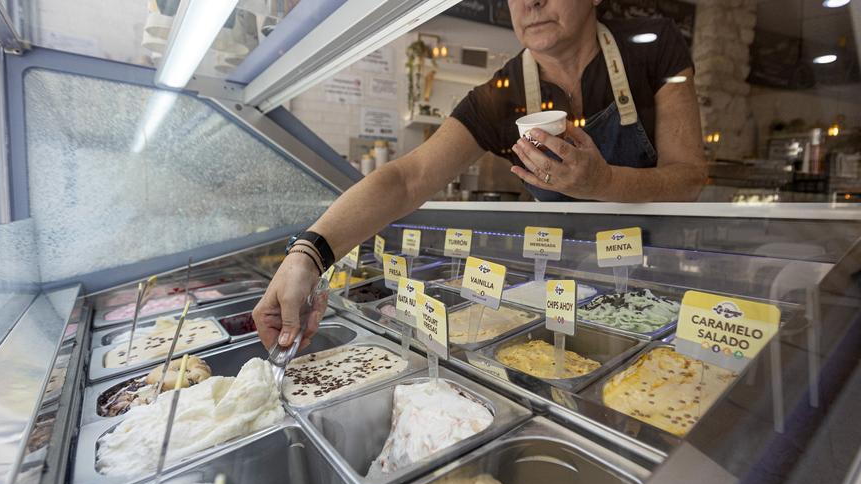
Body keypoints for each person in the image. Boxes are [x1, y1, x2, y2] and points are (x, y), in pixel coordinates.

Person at [253, 0, 706, 350]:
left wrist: (604, 184)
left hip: (658, 283)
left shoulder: (652, 45)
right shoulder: (499, 97)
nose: (531, 3)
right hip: (565, 292)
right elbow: (408, 179)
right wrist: (307, 256)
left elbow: (690, 178)